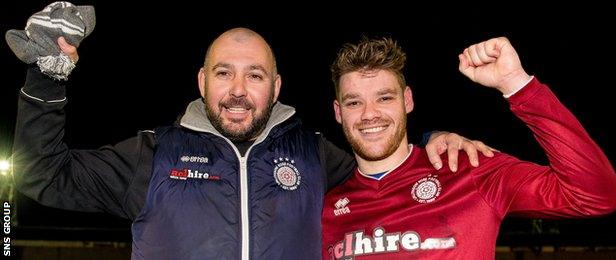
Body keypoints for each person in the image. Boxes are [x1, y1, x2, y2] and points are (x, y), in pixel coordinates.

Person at [7, 3, 494, 259]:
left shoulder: (315, 154)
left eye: (254, 76)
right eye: (224, 74)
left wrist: (432, 141)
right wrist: (47, 78)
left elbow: (383, 155)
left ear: (276, 86)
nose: (238, 90)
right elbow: (42, 175)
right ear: (202, 81)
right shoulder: (152, 154)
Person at [322, 36, 616, 259]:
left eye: (385, 97)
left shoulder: (468, 168)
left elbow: (596, 195)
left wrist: (517, 84)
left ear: (408, 100)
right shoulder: (319, 207)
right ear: (338, 112)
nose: (369, 114)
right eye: (354, 102)